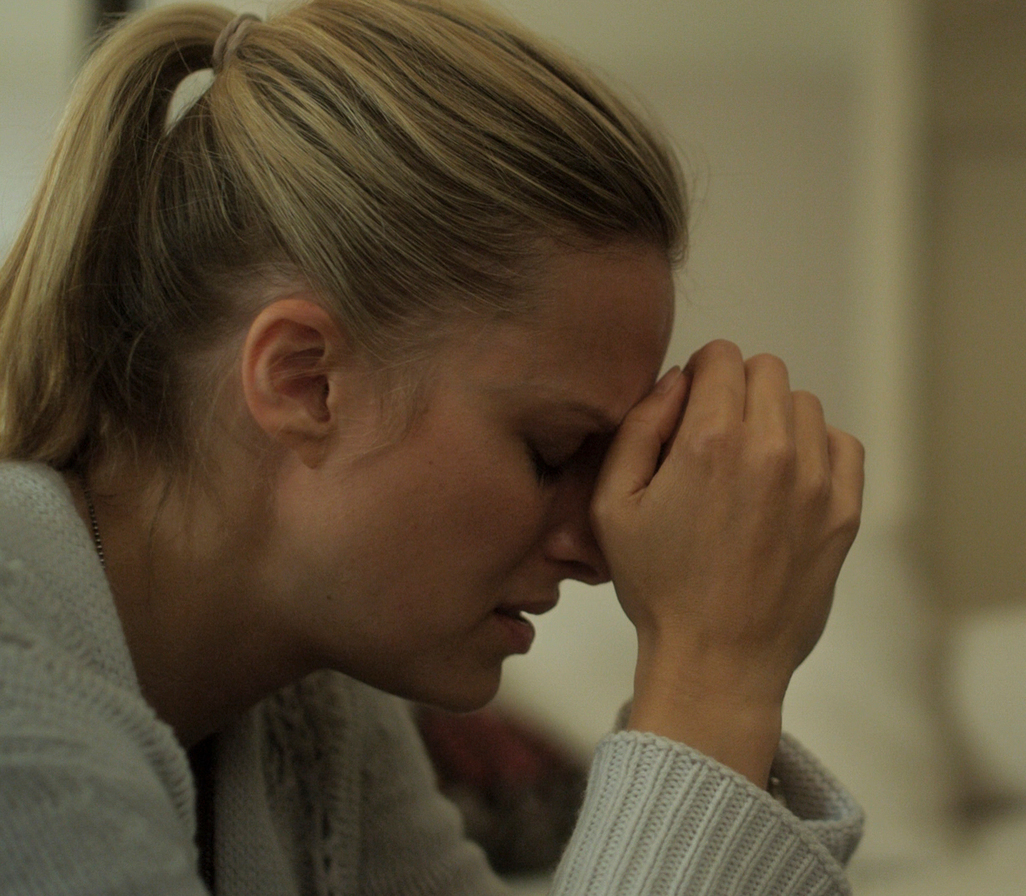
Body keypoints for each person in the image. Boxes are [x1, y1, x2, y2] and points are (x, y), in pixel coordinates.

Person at [0, 1, 865, 893]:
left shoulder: (314, 700)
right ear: (304, 381)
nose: (598, 550)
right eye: (552, 451)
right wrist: (713, 676)